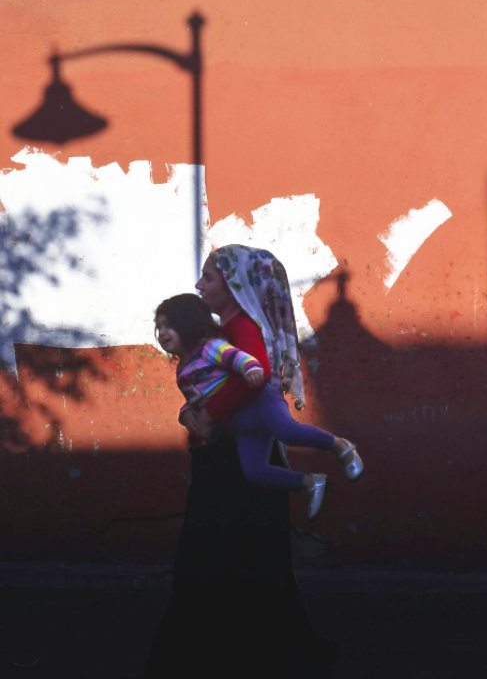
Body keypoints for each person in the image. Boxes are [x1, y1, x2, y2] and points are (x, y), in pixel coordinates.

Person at [145, 245, 342, 678]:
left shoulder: (244, 330)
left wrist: (207, 416)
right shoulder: (227, 328)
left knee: (221, 560)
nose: (200, 286)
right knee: (248, 560)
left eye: (209, 278)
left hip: (232, 461)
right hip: (232, 455)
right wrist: (192, 413)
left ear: (236, 284)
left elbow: (252, 381)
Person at [154, 292, 364, 519]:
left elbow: (236, 357)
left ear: (187, 323)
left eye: (168, 325)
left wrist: (250, 368)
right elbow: (194, 399)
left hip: (260, 403)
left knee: (288, 432)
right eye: (159, 327)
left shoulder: (209, 348)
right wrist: (185, 414)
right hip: (242, 425)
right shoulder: (182, 370)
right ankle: (310, 482)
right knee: (254, 471)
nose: (162, 333)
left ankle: (340, 446)